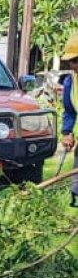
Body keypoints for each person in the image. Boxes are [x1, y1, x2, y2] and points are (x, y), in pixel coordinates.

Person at [60, 31, 78, 206]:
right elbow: (70, 111)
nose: (73, 65)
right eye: (71, 61)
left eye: (76, 60)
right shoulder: (70, 83)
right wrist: (67, 132)